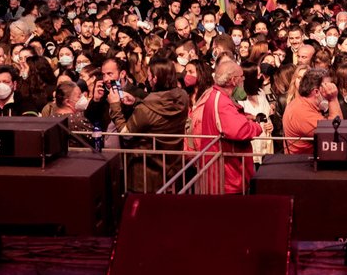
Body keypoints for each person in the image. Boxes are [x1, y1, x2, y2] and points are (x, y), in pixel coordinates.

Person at [193, 59, 271, 194]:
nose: (243, 81)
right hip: (227, 176)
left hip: (227, 173)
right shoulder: (221, 101)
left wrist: (246, 117)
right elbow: (240, 131)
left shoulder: (218, 96)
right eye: (242, 77)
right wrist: (257, 126)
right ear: (234, 80)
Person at [116, 60, 188, 191]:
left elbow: (125, 134)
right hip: (173, 167)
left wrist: (115, 106)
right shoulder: (183, 97)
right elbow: (159, 104)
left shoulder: (145, 109)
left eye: (149, 76)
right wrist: (137, 101)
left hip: (145, 173)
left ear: (155, 79)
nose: (147, 79)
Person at [282, 67, 340, 155]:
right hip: (303, 164)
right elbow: (337, 133)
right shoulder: (302, 111)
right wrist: (333, 99)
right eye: (327, 86)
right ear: (316, 92)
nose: (331, 89)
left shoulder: (300, 102)